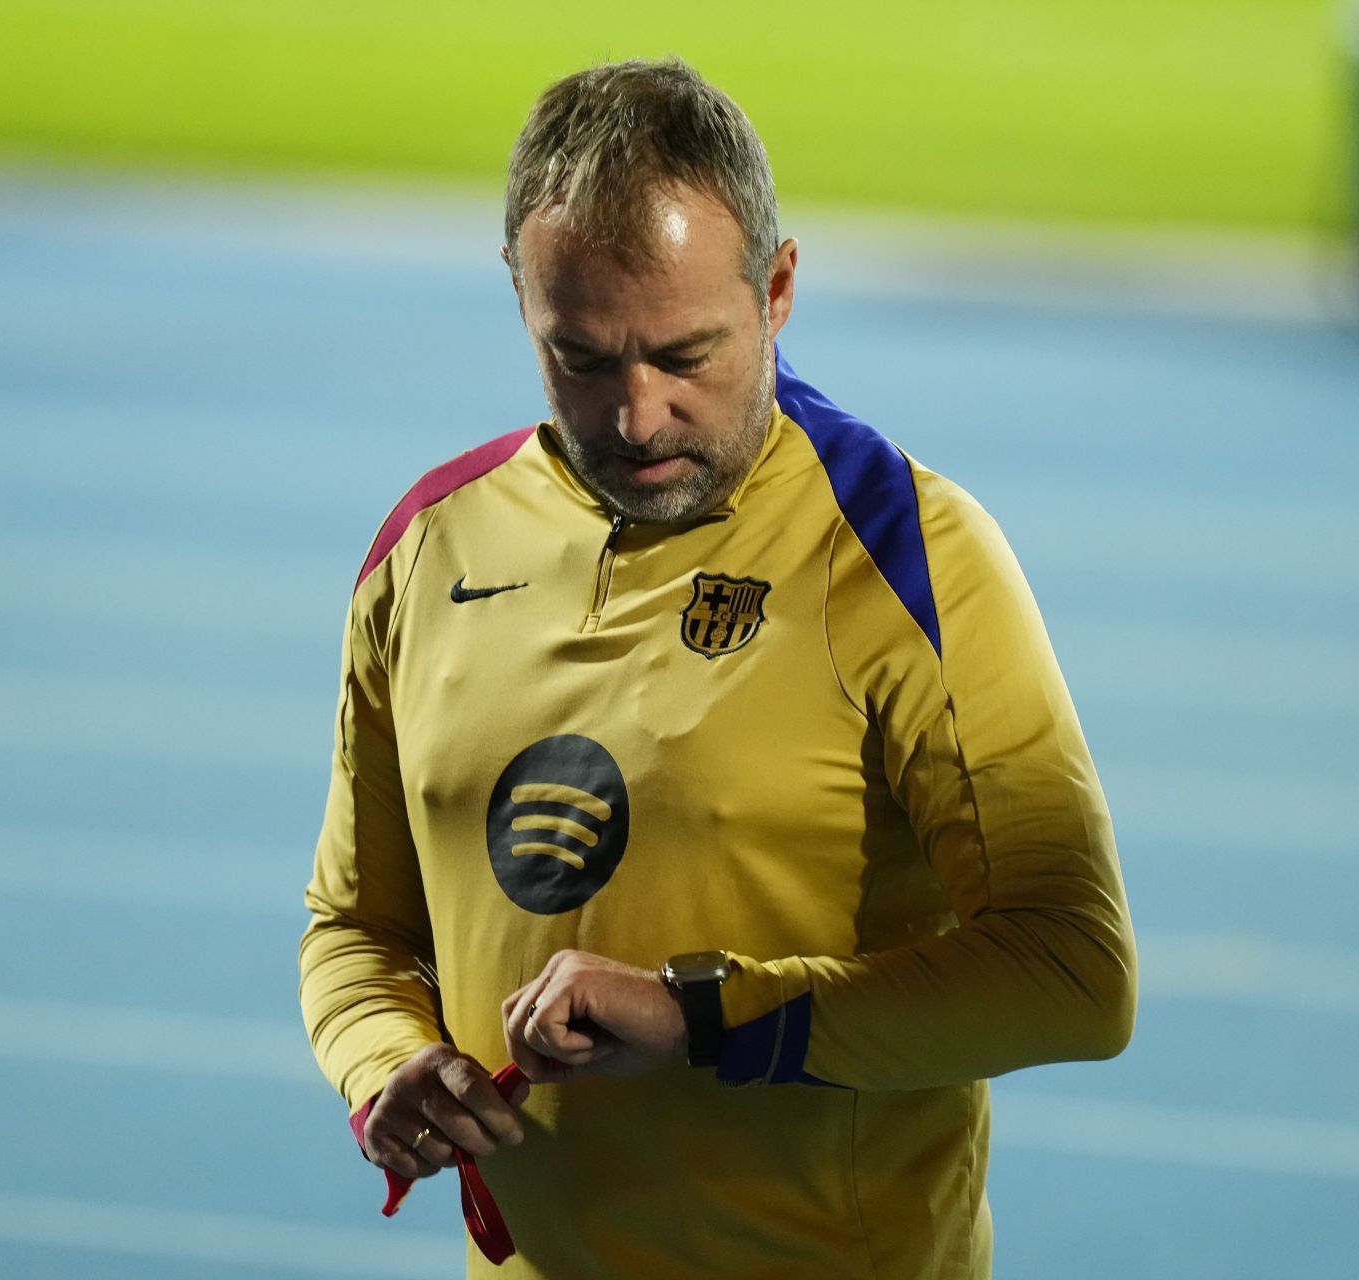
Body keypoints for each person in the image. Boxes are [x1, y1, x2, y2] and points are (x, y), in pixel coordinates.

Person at [298, 57, 1135, 1280]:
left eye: (685, 354)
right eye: (581, 357)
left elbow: (1072, 973)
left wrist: (705, 1012)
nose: (637, 416)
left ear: (779, 287)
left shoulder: (906, 552)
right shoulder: (429, 549)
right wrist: (383, 1064)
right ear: (519, 293)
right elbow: (355, 928)